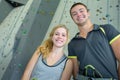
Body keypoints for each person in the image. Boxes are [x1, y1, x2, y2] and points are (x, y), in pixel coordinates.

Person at [68, 2, 120, 80]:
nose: (78, 14)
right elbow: (75, 72)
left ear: (88, 13)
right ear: (73, 19)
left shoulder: (107, 29)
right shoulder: (72, 43)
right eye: (74, 14)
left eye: (81, 11)